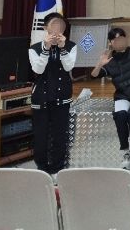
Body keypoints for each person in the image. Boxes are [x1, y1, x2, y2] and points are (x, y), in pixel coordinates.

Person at [91, 27, 130, 172]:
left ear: (126, 39)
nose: (119, 42)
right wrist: (100, 63)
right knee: (120, 115)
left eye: (121, 38)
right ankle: (125, 152)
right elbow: (94, 75)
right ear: (111, 43)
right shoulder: (110, 60)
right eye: (115, 40)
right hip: (122, 95)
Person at [28, 12, 77, 178]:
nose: (57, 29)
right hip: (41, 97)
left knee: (59, 135)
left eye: (60, 26)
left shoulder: (71, 46)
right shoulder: (34, 48)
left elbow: (69, 67)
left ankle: (56, 169)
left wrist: (62, 48)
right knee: (40, 136)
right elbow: (38, 69)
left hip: (62, 96)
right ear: (45, 28)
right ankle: (42, 169)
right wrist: (46, 48)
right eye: (53, 25)